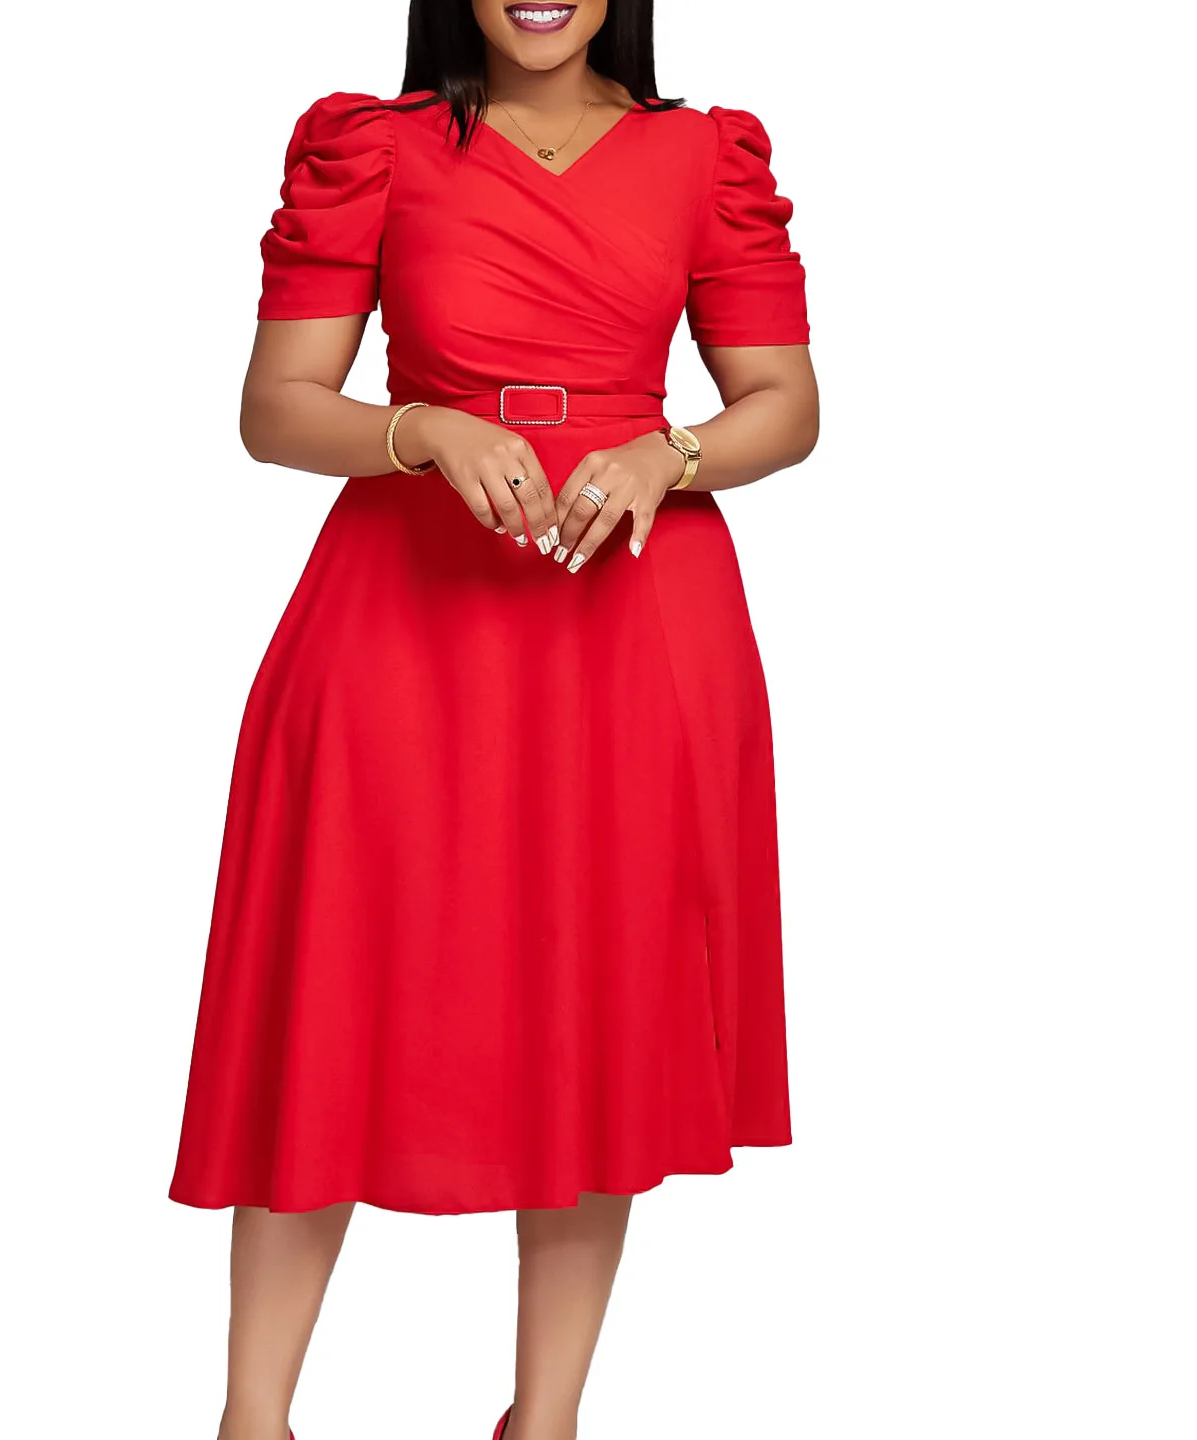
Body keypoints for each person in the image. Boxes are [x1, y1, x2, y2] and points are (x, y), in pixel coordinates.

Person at [169, 2, 819, 1437]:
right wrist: (420, 428)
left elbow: (785, 404)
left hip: (632, 613)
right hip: (403, 612)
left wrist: (668, 454)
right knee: (335, 976)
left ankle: (545, 1421)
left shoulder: (704, 157)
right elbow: (277, 408)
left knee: (605, 996)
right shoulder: (376, 147)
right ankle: (252, 1422)